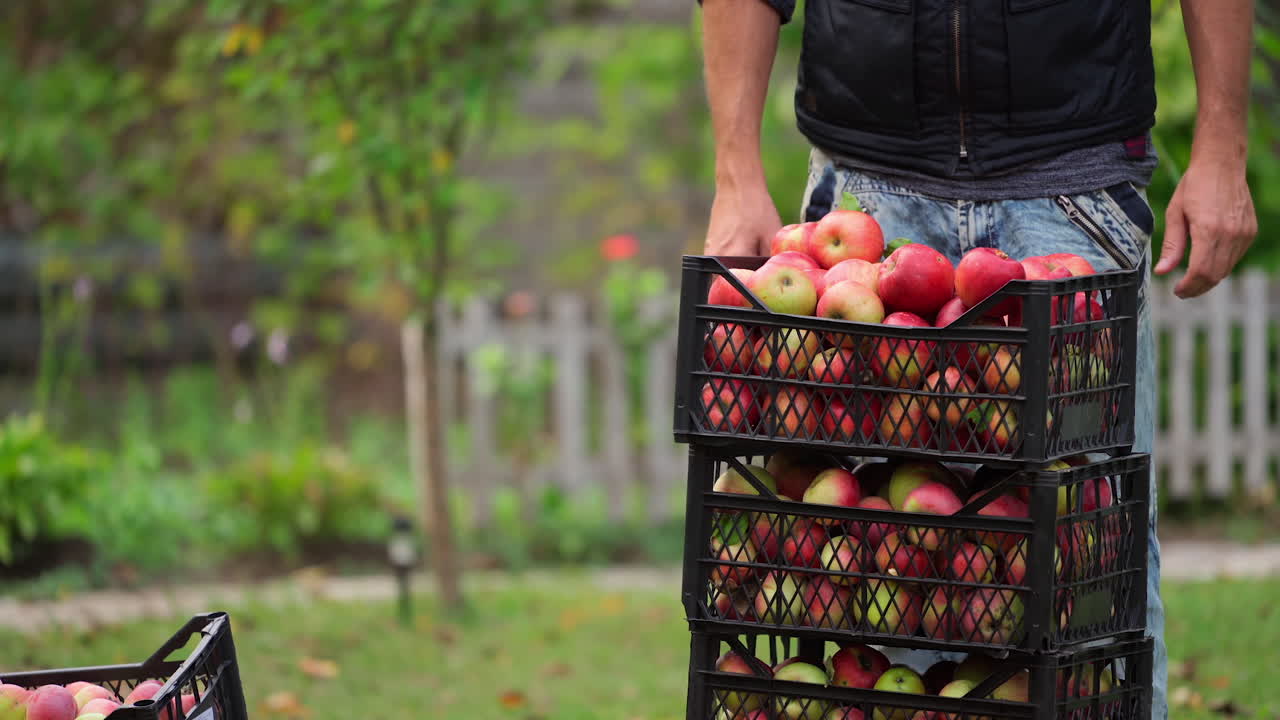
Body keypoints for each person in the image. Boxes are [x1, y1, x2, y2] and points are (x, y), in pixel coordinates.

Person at [698, 1, 1258, 717]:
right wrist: (735, 169)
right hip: (871, 207)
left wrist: (1222, 146)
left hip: (1067, 193)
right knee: (874, 576)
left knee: (1089, 575)